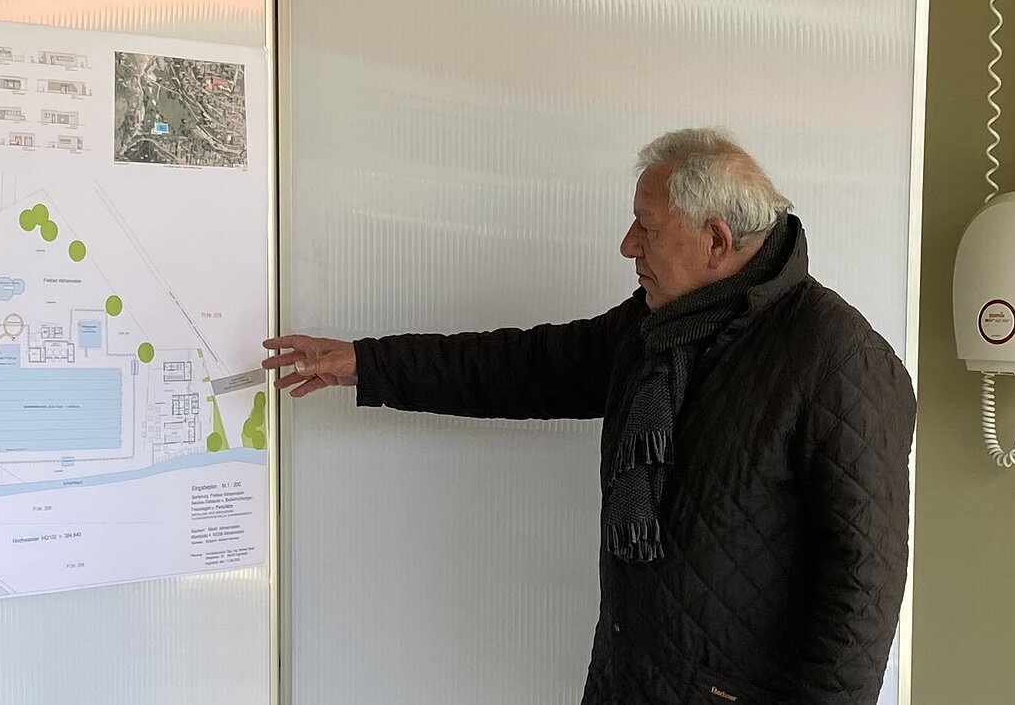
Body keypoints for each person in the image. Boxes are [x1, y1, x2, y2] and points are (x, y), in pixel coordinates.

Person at [263, 128, 915, 705]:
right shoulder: (656, 330)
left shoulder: (838, 358)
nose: (628, 245)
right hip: (626, 680)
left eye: (646, 227)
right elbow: (520, 367)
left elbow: (863, 586)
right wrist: (364, 363)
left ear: (716, 240)